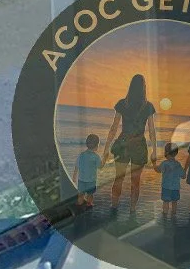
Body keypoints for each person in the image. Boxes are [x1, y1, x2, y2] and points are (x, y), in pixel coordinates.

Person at [107, 75, 157, 219]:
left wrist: (106, 149)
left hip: (123, 143)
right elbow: (152, 130)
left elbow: (114, 127)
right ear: (144, 87)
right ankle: (132, 211)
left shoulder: (123, 103)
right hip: (139, 145)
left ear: (131, 86)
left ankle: (114, 208)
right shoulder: (148, 106)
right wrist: (154, 150)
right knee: (136, 181)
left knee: (119, 178)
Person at [74, 135, 102, 211]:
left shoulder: (82, 155)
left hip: (81, 179)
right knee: (90, 194)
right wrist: (105, 158)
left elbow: (77, 166)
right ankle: (89, 205)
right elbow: (100, 166)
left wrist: (74, 176)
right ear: (97, 145)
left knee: (81, 194)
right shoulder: (96, 157)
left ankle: (80, 204)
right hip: (91, 180)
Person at [158, 145, 182, 226]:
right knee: (174, 203)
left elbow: (158, 170)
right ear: (176, 153)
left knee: (166, 203)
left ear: (166, 153)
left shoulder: (164, 163)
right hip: (175, 188)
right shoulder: (178, 164)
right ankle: (173, 217)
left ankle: (164, 218)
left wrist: (154, 163)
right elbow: (183, 176)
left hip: (166, 188)